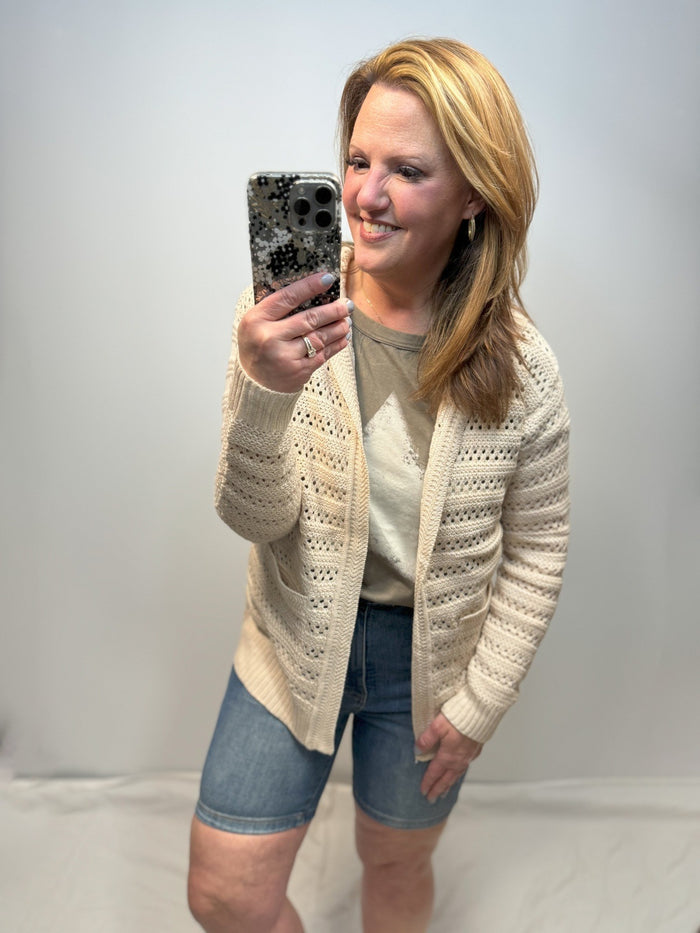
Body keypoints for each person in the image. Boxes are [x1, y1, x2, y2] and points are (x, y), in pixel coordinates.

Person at [188, 37, 570, 933]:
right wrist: (265, 393)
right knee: (226, 892)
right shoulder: (284, 320)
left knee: (395, 865)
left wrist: (481, 701)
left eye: (408, 169)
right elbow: (252, 515)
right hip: (293, 633)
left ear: (474, 193)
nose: (365, 193)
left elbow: (539, 549)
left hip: (429, 667)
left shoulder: (524, 369)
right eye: (358, 160)